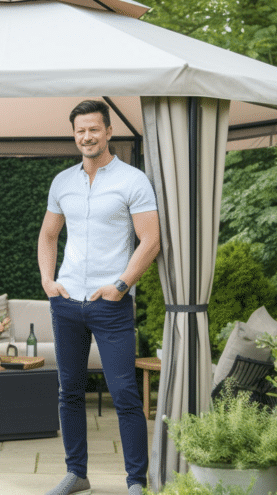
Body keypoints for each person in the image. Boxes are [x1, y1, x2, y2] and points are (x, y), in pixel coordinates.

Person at [38, 100, 160, 495]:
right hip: (67, 303)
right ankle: (77, 473)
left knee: (124, 394)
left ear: (108, 131)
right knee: (70, 393)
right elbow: (48, 235)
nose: (87, 137)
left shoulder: (133, 180)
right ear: (74, 135)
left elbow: (151, 240)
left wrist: (121, 285)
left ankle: (136, 482)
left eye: (94, 129)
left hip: (111, 305)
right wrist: (48, 281)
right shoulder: (62, 182)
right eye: (80, 130)